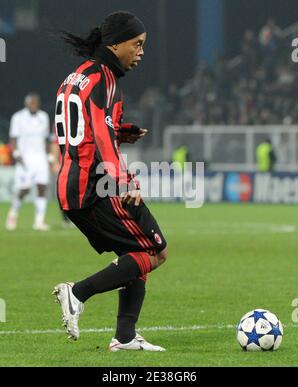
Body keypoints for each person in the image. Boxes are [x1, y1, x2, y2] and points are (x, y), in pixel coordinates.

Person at [52, 11, 168, 352]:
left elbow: (87, 128)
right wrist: (125, 179)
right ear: (115, 44)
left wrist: (123, 131)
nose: (141, 52)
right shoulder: (105, 79)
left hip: (72, 184)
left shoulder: (78, 76)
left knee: (136, 254)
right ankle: (77, 293)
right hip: (97, 185)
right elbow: (99, 134)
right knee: (155, 251)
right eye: (137, 44)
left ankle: (126, 337)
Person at [5, 93, 51, 231]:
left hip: (40, 158)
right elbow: (13, 137)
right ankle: (13, 212)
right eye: (32, 103)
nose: (34, 105)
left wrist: (49, 155)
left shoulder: (44, 117)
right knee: (24, 190)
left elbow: (46, 138)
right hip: (25, 159)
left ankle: (39, 221)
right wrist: (16, 153)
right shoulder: (18, 117)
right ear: (26, 103)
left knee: (42, 187)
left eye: (36, 103)